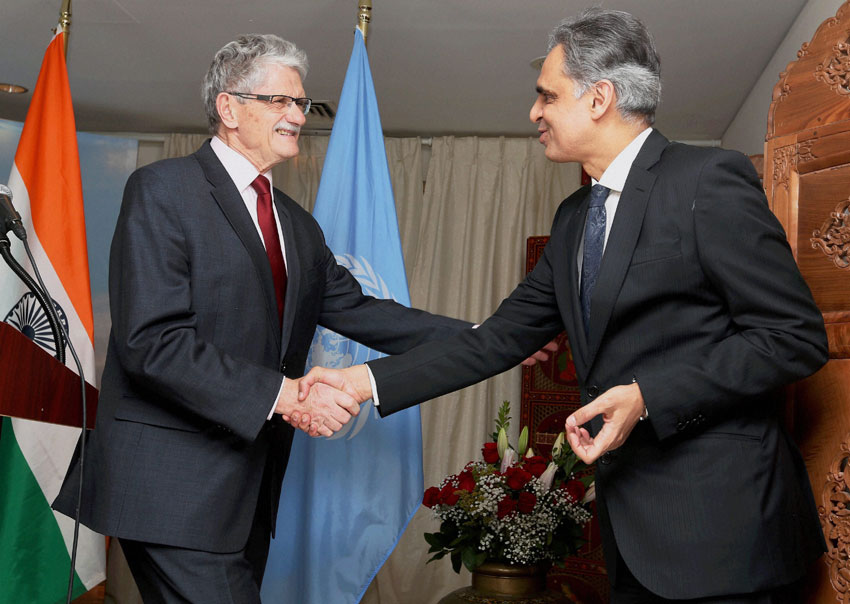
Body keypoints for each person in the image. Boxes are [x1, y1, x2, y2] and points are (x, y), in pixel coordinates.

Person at [301, 9, 829, 603]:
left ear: (599, 97)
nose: (534, 113)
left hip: (730, 534)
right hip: (632, 538)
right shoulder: (574, 218)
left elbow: (794, 337)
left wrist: (650, 395)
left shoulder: (708, 180)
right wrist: (360, 382)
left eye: (546, 96)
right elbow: (495, 340)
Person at [51, 33, 500, 603]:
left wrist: (489, 338)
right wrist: (287, 396)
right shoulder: (163, 190)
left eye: (301, 104)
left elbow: (362, 312)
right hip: (170, 488)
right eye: (281, 102)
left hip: (249, 493)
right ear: (229, 108)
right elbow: (152, 343)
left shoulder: (296, 224)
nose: (297, 115)